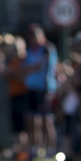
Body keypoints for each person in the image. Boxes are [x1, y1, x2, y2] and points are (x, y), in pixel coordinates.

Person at [22, 24, 57, 153]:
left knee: (46, 120)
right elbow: (27, 68)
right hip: (31, 88)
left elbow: (44, 68)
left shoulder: (47, 49)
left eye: (35, 35)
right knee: (33, 120)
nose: (33, 38)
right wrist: (30, 69)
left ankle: (51, 149)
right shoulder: (31, 50)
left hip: (45, 89)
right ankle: (35, 149)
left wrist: (49, 90)